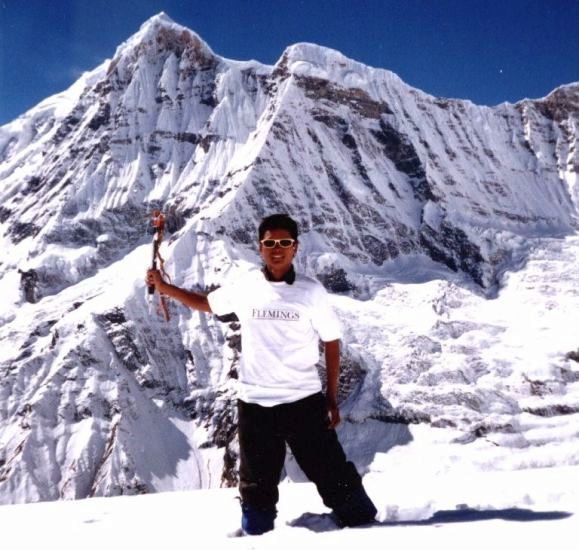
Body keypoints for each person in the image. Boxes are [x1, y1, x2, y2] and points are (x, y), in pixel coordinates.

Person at [146, 213, 377, 535]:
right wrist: (165, 288)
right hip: (255, 405)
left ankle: (372, 532)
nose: (277, 249)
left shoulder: (312, 292)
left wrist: (332, 399)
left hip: (304, 401)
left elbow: (331, 342)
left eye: (284, 242)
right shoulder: (246, 287)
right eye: (270, 243)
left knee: (337, 481)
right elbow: (206, 303)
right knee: (256, 498)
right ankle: (257, 536)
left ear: (295, 247)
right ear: (260, 247)